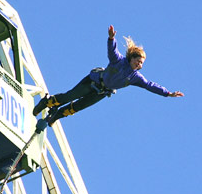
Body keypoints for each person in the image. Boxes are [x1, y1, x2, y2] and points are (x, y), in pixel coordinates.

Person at [34, 25, 184, 126]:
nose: (139, 65)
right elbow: (112, 50)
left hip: (102, 92)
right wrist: (111, 38)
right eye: (138, 61)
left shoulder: (135, 77)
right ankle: (47, 102)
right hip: (92, 82)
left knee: (78, 106)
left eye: (142, 64)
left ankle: (57, 116)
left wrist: (167, 93)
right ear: (131, 58)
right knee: (70, 96)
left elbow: (150, 85)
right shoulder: (118, 61)